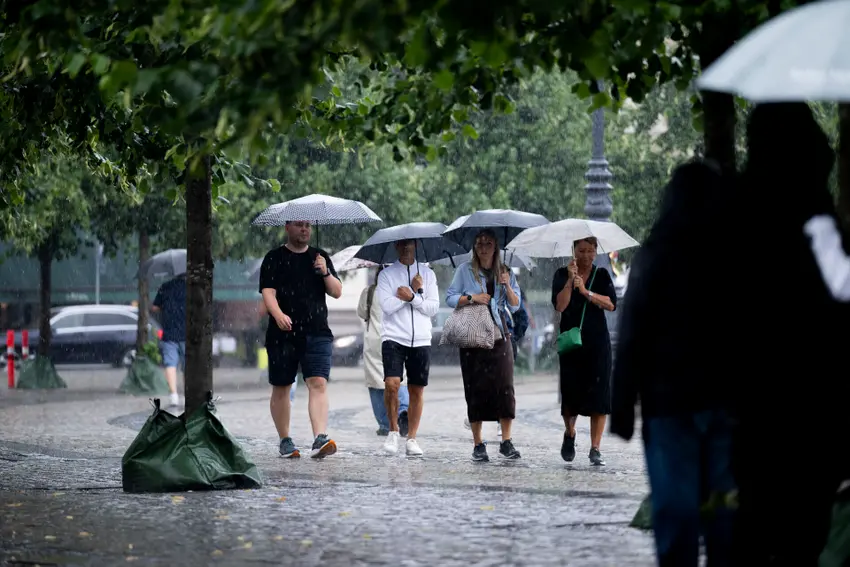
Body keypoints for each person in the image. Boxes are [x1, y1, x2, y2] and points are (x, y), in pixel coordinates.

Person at [730, 103, 846, 566]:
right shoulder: (816, 215)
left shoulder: (737, 210)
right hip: (811, 399)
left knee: (755, 522)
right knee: (803, 529)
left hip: (753, 398)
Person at [610, 160, 735, 567]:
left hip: (670, 402)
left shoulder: (657, 253)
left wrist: (622, 405)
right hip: (724, 400)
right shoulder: (736, 252)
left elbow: (632, 332)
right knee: (725, 515)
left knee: (676, 510)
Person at [259, 220, 342, 459]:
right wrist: (278, 315)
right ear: (288, 227)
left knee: (318, 382)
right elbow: (268, 292)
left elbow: (337, 291)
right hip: (282, 335)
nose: (304, 229)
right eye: (299, 225)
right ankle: (285, 440)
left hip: (317, 331)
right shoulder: (274, 258)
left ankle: (320, 438)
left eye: (307, 225)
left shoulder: (320, 257)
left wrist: (325, 271)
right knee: (282, 386)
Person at [446, 229, 522, 462]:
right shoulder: (464, 270)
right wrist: (472, 298)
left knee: (505, 387)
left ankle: (506, 441)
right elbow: (450, 297)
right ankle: (478, 444)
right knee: (474, 388)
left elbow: (515, 305)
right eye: (479, 243)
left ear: (496, 246)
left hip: (499, 333)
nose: (483, 247)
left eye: (488, 243)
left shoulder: (505, 271)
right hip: (473, 336)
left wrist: (507, 285)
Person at [552, 237, 617, 466]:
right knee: (571, 395)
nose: (586, 255)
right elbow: (560, 305)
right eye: (581, 250)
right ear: (574, 251)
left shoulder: (602, 275)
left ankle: (595, 448)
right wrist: (571, 282)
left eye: (590, 251)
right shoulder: (561, 274)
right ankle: (570, 432)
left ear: (596, 251)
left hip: (597, 344)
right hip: (571, 345)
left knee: (599, 395)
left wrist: (586, 291)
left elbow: (611, 304)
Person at [376, 240, 439, 456]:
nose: (406, 247)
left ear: (416, 245)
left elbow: (432, 308)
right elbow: (387, 306)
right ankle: (393, 430)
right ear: (396, 246)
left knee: (416, 389)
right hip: (393, 336)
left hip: (421, 338)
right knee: (392, 384)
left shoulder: (428, 275)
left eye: (409, 243)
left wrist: (412, 296)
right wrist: (411, 293)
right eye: (401, 244)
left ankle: (412, 437)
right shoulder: (386, 275)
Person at [357, 265, 410, 436]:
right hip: (397, 338)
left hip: (375, 341)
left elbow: (362, 313)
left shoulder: (370, 291)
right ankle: (402, 411)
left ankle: (385, 424)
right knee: (399, 378)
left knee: (376, 383)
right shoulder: (403, 291)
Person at [151, 273, 186, 408]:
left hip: (169, 332)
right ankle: (188, 394)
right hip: (187, 333)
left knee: (170, 363)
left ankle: (173, 395)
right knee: (188, 365)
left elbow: (155, 307)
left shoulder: (165, 287)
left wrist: (166, 307)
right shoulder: (191, 288)